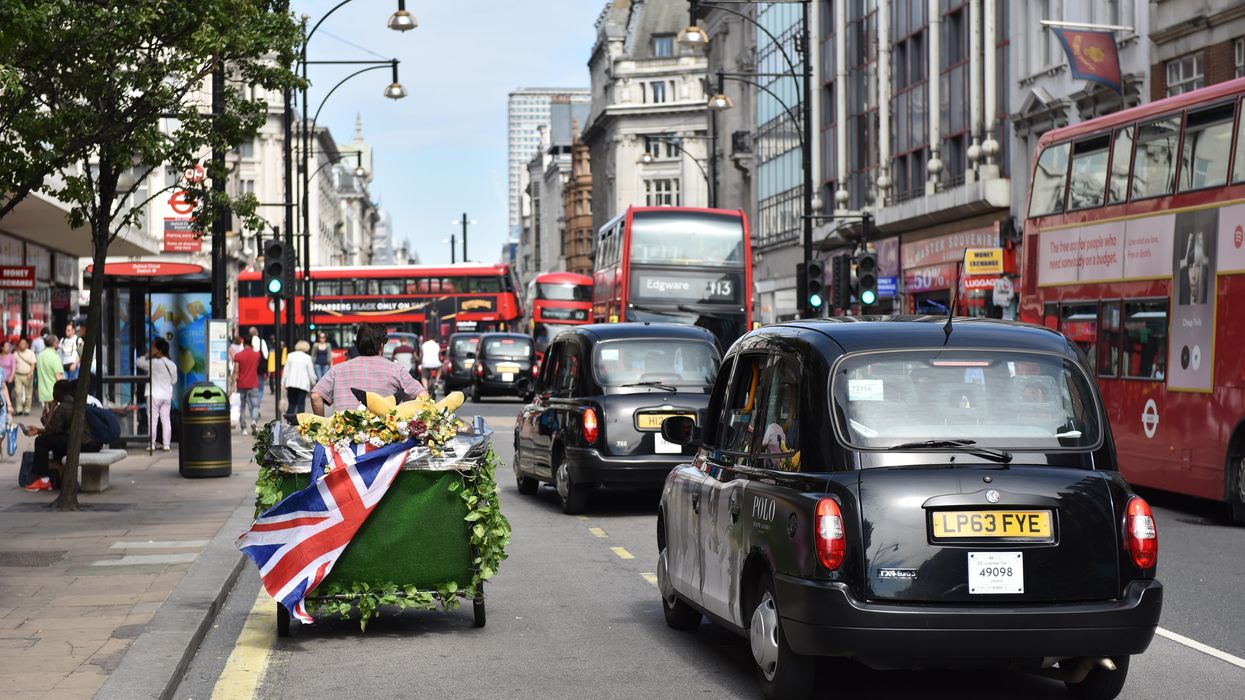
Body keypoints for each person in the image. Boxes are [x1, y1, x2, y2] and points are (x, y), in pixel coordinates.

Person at [311, 324, 426, 416]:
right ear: (381, 346)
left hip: (344, 439)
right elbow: (423, 396)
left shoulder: (337, 370)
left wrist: (322, 425)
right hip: (384, 440)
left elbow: (315, 396)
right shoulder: (396, 370)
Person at [21, 379, 101, 492]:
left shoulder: (64, 407)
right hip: (91, 442)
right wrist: (40, 429)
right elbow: (57, 430)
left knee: (41, 441)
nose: (53, 394)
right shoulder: (75, 402)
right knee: (57, 444)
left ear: (60, 392)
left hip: (82, 443)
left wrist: (52, 409)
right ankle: (59, 479)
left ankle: (43, 479)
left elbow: (50, 431)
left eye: (54, 390)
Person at [142, 338, 178, 451]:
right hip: (166, 395)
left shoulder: (153, 363)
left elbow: (139, 362)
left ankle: (152, 444)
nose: (151, 349)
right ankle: (166, 444)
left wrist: (148, 354)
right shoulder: (172, 364)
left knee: (153, 419)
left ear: (159, 350)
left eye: (153, 347)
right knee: (166, 419)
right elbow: (174, 381)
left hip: (154, 394)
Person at [282, 340, 317, 417]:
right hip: (303, 384)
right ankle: (300, 422)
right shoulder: (307, 358)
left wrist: (283, 382)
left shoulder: (290, 356)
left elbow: (286, 371)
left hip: (291, 383)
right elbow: (311, 372)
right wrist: (313, 382)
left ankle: (289, 421)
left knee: (291, 403)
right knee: (301, 403)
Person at [234, 339, 262, 435]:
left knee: (242, 407)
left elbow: (236, 371)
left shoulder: (238, 356)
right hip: (253, 384)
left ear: (243, 343)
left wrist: (233, 382)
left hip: (241, 384)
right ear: (251, 344)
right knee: (255, 405)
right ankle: (254, 421)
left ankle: (244, 428)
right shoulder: (256, 355)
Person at [36, 335, 64, 406]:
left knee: (48, 413)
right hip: (54, 392)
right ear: (54, 343)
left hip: (43, 392)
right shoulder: (55, 357)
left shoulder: (40, 355)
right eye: (57, 342)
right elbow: (58, 377)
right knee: (53, 414)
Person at [13, 338, 36, 415]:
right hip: (18, 375)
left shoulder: (31, 353)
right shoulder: (15, 354)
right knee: (17, 392)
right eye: (20, 343)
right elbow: (13, 365)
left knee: (28, 393)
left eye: (23, 343)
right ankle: (19, 409)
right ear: (18, 345)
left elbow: (33, 364)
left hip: (28, 374)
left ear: (27, 345)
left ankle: (27, 409)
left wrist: (30, 373)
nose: (22, 345)